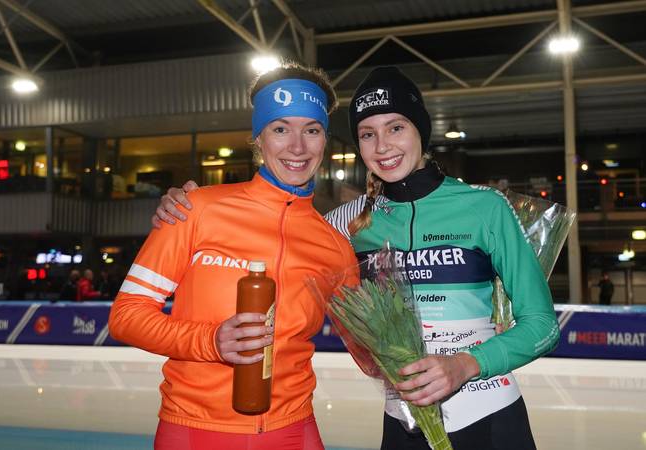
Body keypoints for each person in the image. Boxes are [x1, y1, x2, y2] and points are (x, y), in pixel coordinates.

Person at [153, 66, 560, 450]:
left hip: (489, 418)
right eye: (367, 134)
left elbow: (542, 325)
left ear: (421, 129)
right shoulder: (345, 225)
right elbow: (278, 230)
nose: (382, 147)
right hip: (403, 423)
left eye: (396, 127)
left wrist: (467, 364)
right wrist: (186, 207)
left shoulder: (485, 207)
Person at [109, 62, 357, 450]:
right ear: (258, 138)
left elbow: (369, 340)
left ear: (325, 139)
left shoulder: (335, 245)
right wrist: (211, 341)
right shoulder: (195, 209)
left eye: (312, 130)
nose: (297, 147)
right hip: (193, 428)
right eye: (280, 129)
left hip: (293, 429)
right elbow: (126, 317)